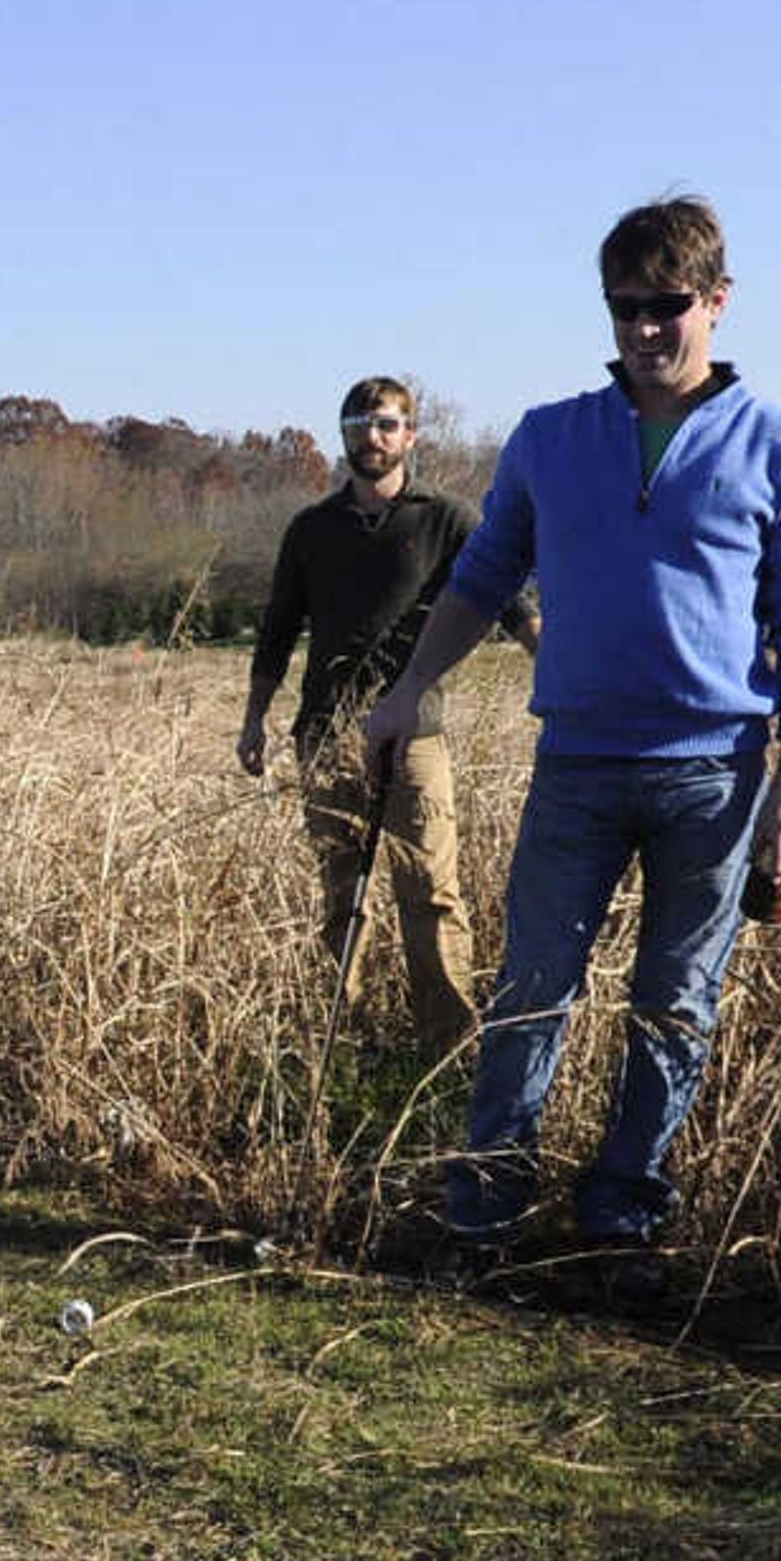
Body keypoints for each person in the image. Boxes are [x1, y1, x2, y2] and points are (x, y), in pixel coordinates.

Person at [357, 197, 781, 1294]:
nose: (644, 329)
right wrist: (407, 689)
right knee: (533, 986)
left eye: (666, 306)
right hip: (576, 762)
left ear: (716, 302)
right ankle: (482, 1213)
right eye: (623, 309)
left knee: (677, 1003)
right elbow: (482, 578)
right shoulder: (550, 437)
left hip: (716, 776)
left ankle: (620, 1217)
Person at [235, 378, 536, 1059]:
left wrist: (557, 663)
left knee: (430, 891)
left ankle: (447, 1052)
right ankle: (346, 1043)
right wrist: (255, 719)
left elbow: (510, 602)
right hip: (325, 736)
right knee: (343, 893)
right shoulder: (312, 529)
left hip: (413, 736)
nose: (371, 437)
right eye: (358, 424)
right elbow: (279, 628)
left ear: (411, 435)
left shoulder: (448, 520)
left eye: (386, 424)